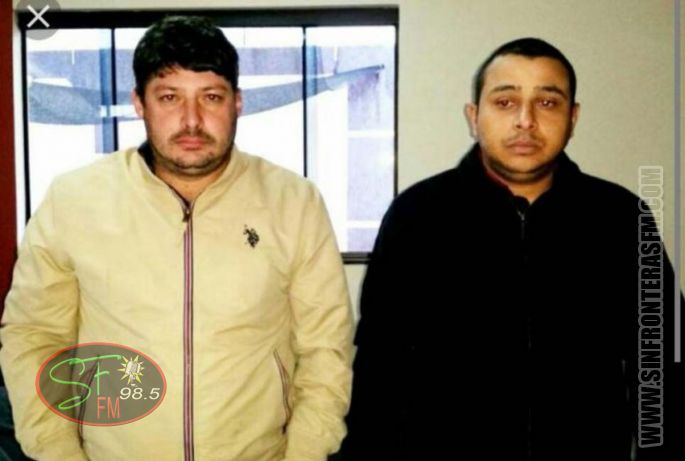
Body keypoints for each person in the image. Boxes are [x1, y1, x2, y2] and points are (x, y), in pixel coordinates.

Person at [0, 16, 353, 461]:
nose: (191, 120)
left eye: (211, 97)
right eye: (169, 97)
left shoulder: (294, 202)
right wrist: (59, 454)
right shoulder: (74, 200)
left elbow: (325, 350)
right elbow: (35, 338)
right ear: (139, 103)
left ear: (238, 102)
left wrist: (304, 455)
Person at [340, 38, 684, 460]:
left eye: (547, 103)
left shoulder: (620, 218)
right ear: (474, 116)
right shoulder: (417, 216)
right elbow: (380, 367)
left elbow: (662, 364)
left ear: (573, 117)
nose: (525, 121)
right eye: (505, 102)